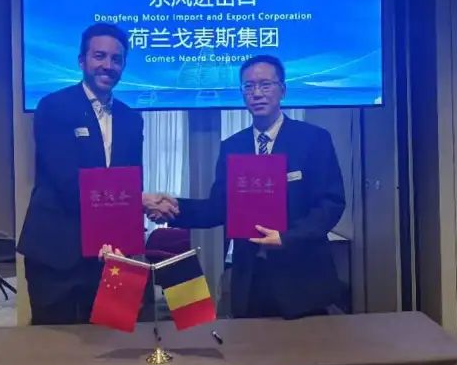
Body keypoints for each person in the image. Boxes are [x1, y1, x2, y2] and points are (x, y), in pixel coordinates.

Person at [146, 55, 346, 319]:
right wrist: (172, 207)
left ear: (283, 90)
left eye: (265, 85)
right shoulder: (233, 146)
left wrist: (287, 238)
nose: (257, 93)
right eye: (249, 86)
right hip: (250, 279)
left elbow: (331, 203)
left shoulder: (313, 139)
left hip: (302, 277)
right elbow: (218, 208)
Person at [18, 23, 150, 324]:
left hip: (113, 255)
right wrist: (137, 200)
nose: (108, 65)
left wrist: (135, 207)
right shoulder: (54, 107)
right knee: (55, 346)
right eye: (99, 56)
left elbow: (131, 180)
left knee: (115, 339)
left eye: (116, 59)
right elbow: (66, 180)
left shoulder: (131, 119)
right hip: (57, 253)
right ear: (82, 61)